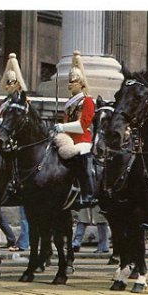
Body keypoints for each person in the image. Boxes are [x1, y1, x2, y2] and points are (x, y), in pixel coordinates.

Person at [54, 51, 97, 208]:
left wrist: (62, 127)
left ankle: (88, 193)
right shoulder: (69, 103)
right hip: (68, 140)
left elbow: (82, 125)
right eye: (69, 80)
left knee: (80, 157)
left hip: (82, 141)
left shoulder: (87, 102)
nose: (69, 83)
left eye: (73, 81)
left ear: (81, 83)